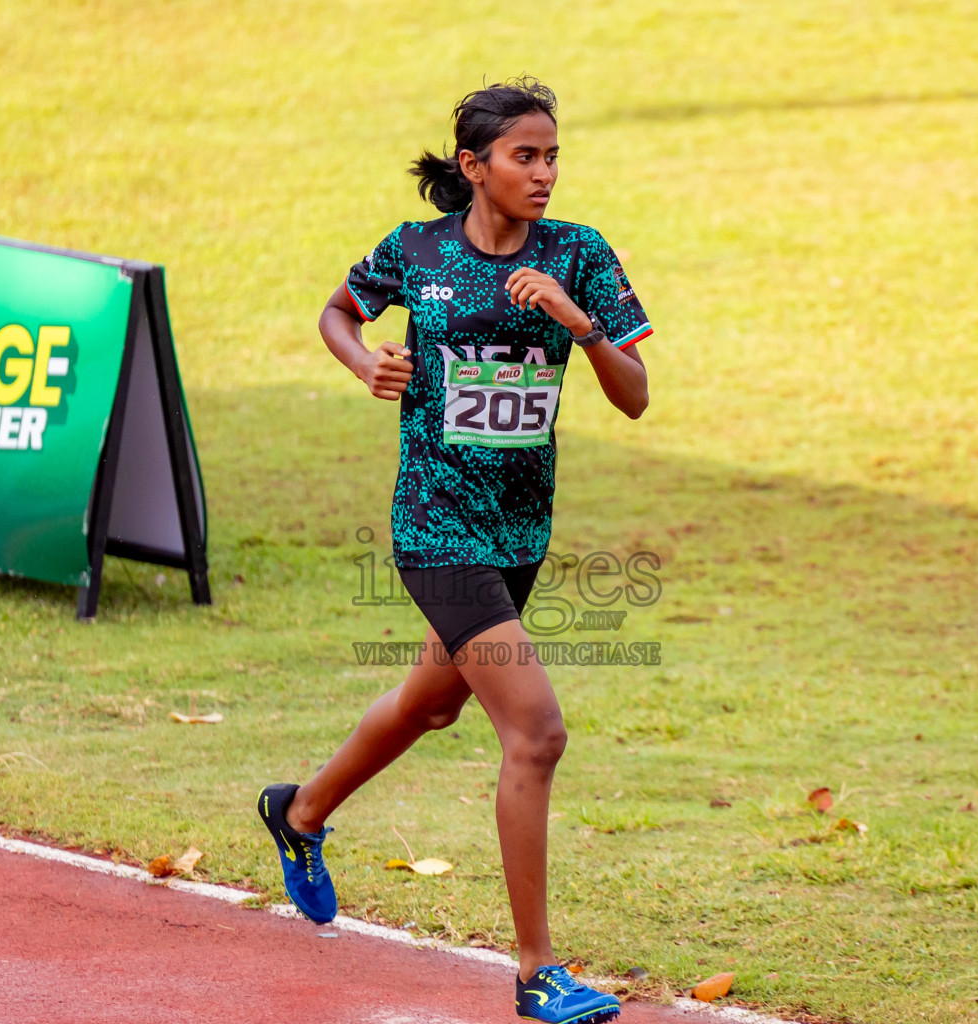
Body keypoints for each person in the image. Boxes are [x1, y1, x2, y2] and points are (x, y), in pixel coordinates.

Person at [259, 77, 651, 1024]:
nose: (546, 173)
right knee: (537, 732)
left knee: (430, 706)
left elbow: (635, 394)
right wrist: (367, 363)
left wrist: (577, 322)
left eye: (554, 154)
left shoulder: (579, 254)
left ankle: (299, 812)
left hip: (521, 533)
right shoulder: (419, 249)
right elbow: (339, 313)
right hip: (436, 525)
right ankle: (535, 973)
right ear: (475, 167)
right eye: (526, 156)